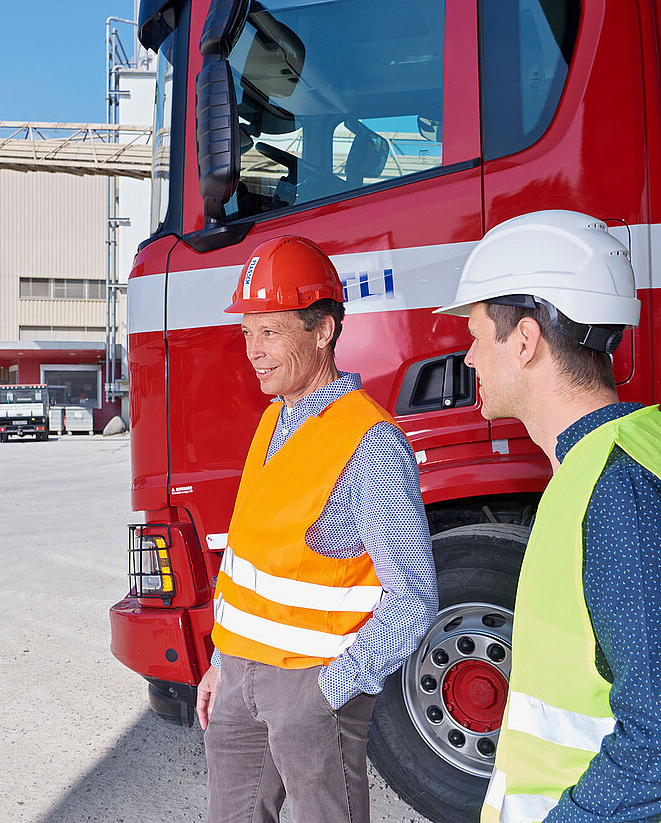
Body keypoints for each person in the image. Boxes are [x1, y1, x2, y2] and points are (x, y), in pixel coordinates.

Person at [436, 210, 661, 823]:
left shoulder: (620, 491)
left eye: (477, 335)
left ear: (526, 340)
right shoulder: (620, 459)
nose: (470, 358)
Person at [196, 235, 438, 823]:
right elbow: (255, 559)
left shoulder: (371, 442)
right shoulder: (275, 417)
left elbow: (413, 599)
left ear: (323, 331)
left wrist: (324, 693)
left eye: (271, 332)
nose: (253, 351)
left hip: (312, 689)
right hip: (238, 680)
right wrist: (222, 665)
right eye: (247, 333)